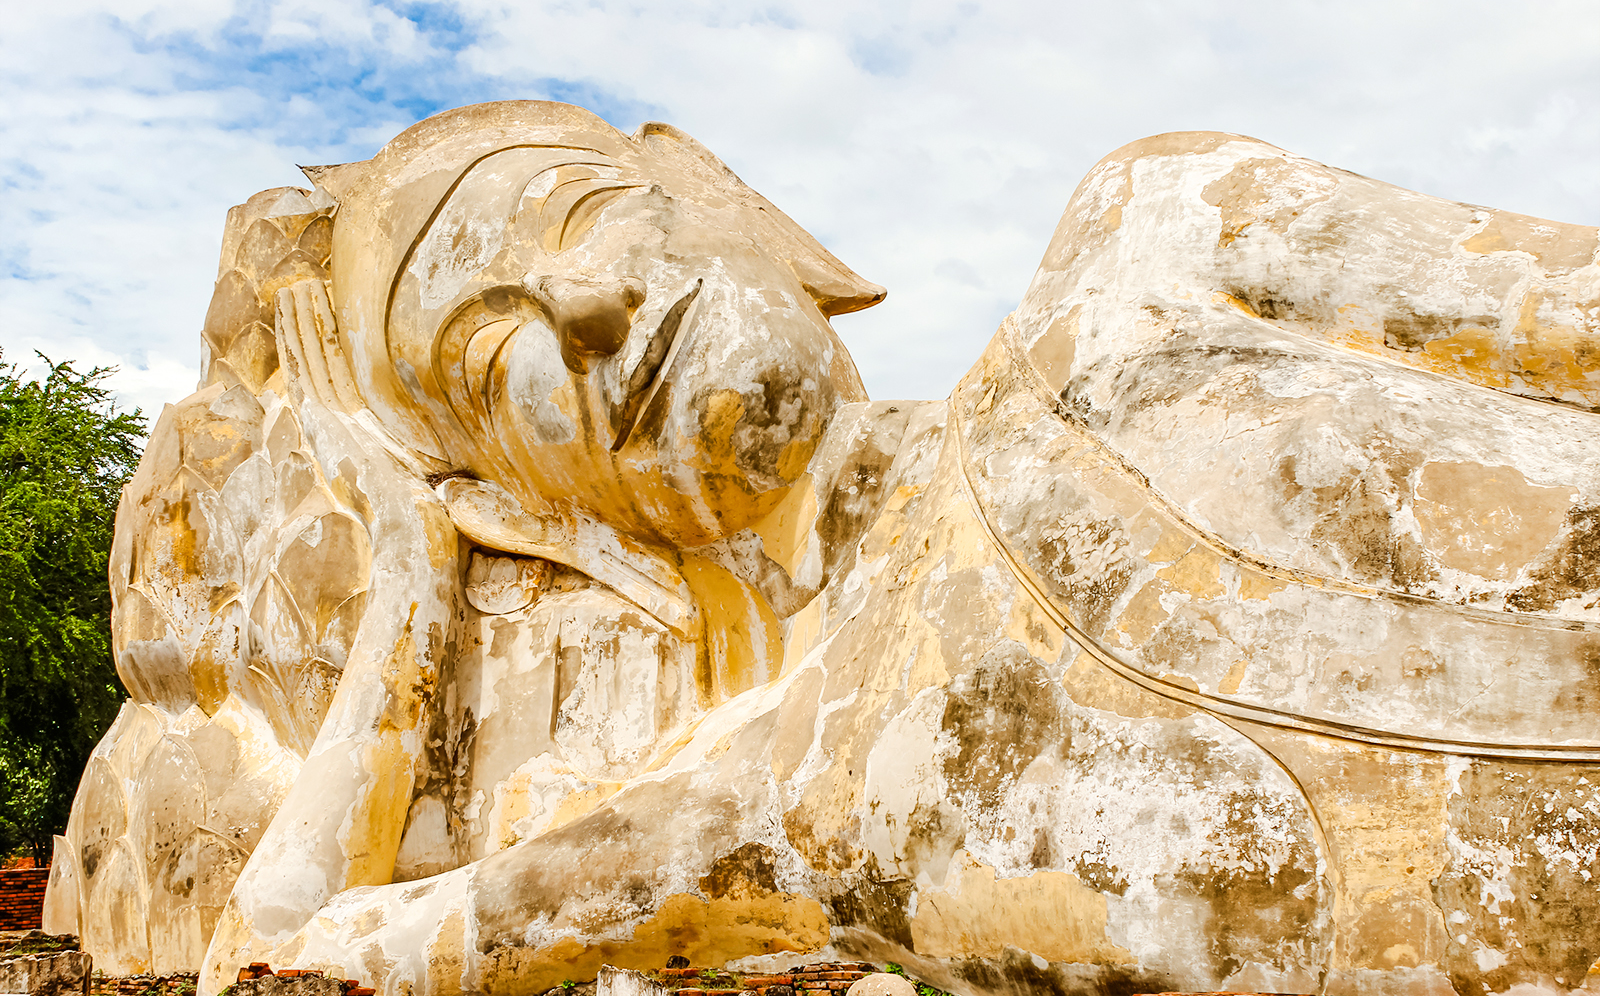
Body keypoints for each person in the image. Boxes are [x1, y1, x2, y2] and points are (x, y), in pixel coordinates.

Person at [52, 104, 1600, 996]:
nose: (578, 313)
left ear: (731, 201)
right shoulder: (786, 788)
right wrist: (404, 551)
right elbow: (283, 957)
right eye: (487, 354)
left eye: (580, 213)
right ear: (527, 496)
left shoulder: (1158, 241)